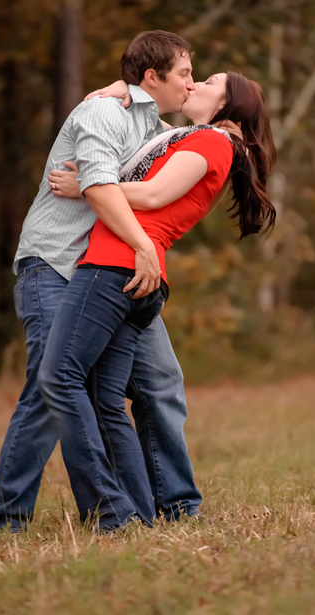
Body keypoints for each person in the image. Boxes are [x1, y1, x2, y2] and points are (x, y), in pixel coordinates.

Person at [0, 31, 203, 537]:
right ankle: (5, 522)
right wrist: (141, 244)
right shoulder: (103, 113)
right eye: (185, 72)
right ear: (153, 76)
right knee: (50, 384)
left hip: (104, 276)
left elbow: (155, 179)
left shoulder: (154, 126)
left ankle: (155, 508)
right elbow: (101, 188)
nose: (191, 82)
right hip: (54, 264)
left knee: (145, 384)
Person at [37, 71, 275, 529]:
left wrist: (87, 184)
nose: (194, 84)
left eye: (207, 82)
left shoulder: (214, 143)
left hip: (121, 265)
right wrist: (124, 89)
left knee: (74, 379)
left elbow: (151, 194)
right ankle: (143, 510)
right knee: (118, 392)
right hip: (132, 268)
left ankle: (141, 508)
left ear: (229, 106)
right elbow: (149, 121)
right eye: (192, 75)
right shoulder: (190, 137)